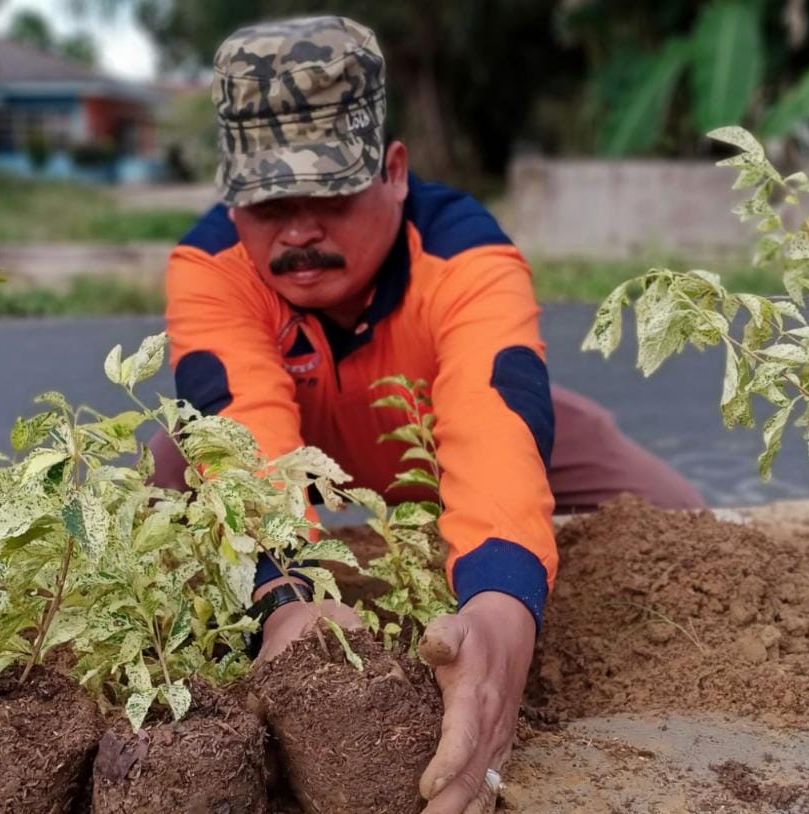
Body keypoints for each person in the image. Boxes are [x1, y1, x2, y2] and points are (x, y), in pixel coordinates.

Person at [152, 15, 704, 814]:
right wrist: (286, 596)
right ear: (231, 199)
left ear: (394, 170)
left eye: (331, 191)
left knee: (681, 522)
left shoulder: (467, 256)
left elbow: (490, 426)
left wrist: (501, 616)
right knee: (173, 465)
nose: (300, 231)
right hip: (293, 440)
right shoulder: (209, 269)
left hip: (446, 428)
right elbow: (245, 435)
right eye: (268, 204)